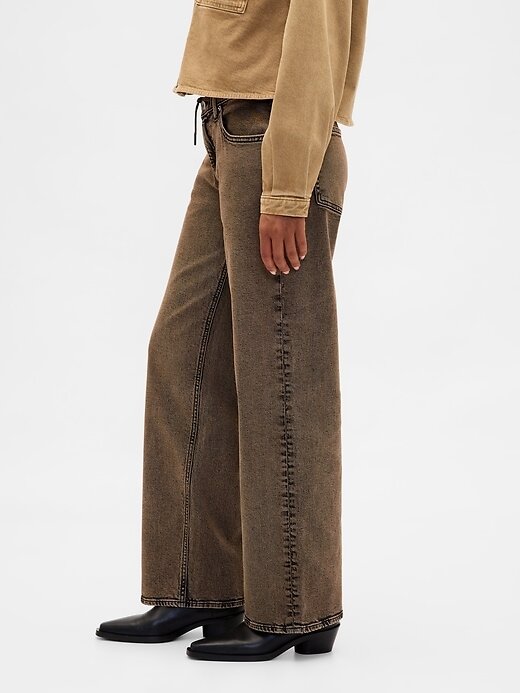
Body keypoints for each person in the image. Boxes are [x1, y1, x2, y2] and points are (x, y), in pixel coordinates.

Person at [95, 0, 368, 662]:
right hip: (227, 132)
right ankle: (200, 583)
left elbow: (317, 37)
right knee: (182, 352)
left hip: (277, 139)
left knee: (282, 377)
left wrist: (287, 188)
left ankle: (296, 604)